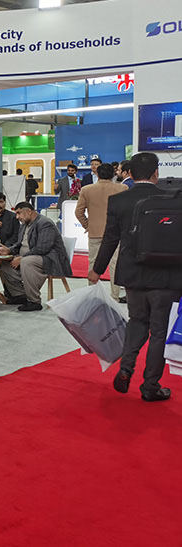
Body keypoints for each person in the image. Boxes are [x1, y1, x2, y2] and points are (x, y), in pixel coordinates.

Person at [88, 152, 182, 401]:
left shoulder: (118, 201)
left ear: (129, 173)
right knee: (159, 331)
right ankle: (150, 386)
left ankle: (126, 368)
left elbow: (110, 239)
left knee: (137, 321)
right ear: (156, 173)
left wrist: (97, 269)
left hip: (133, 274)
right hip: (166, 277)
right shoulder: (172, 199)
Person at [0, 202, 72, 311]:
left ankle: (34, 301)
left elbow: (43, 248)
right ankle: (20, 295)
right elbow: (19, 244)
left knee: (27, 261)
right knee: (3, 264)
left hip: (49, 259)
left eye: (19, 213)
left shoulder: (45, 223)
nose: (17, 217)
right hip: (29, 257)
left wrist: (21, 258)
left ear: (29, 211)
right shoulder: (24, 225)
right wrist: (8, 250)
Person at [75, 162, 126, 301]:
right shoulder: (122, 188)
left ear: (97, 174)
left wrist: (88, 225)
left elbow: (78, 212)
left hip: (95, 233)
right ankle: (115, 296)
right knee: (115, 265)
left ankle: (93, 295)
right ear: (113, 173)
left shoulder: (86, 189)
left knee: (93, 263)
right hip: (116, 233)